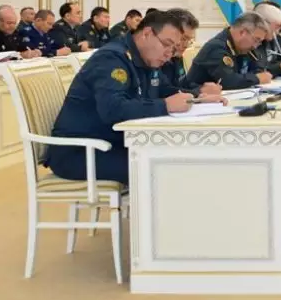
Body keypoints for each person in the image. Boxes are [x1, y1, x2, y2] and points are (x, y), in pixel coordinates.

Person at [46, 10, 195, 185]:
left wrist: (198, 96)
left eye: (174, 48)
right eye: (167, 44)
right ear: (147, 33)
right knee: (163, 168)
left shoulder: (146, 58)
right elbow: (113, 109)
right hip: (80, 150)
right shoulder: (112, 58)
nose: (169, 54)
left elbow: (165, 90)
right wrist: (165, 106)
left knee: (179, 156)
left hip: (113, 142)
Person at [186, 12, 273, 89]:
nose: (255, 46)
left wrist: (258, 75)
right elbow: (227, 81)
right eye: (256, 40)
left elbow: (257, 69)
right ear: (242, 32)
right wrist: (257, 78)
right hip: (197, 98)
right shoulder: (217, 47)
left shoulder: (244, 47)